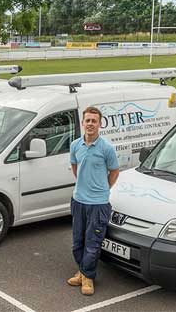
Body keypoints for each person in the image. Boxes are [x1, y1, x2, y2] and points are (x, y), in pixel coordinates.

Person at [65, 107, 120, 296]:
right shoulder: (75, 146)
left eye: (94, 121)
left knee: (93, 242)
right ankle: (82, 272)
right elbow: (75, 166)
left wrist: (103, 188)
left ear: (100, 124)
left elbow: (114, 172)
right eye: (87, 120)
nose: (90, 124)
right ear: (83, 123)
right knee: (77, 242)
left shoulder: (106, 148)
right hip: (78, 201)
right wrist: (83, 184)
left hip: (98, 204)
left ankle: (87, 277)